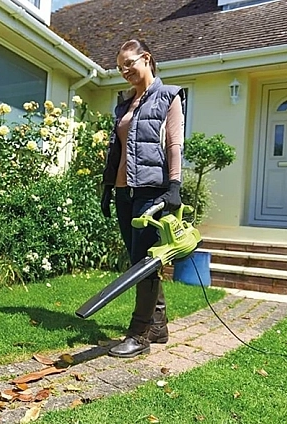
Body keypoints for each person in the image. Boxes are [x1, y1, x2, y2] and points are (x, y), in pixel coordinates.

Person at [100, 39, 185, 358]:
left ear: (146, 59)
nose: (124, 71)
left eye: (129, 64)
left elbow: (174, 144)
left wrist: (174, 186)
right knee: (140, 262)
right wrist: (109, 187)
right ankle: (158, 323)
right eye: (120, 67)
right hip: (125, 193)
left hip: (152, 192)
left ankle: (139, 334)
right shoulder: (124, 103)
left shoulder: (168, 97)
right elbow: (117, 149)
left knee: (145, 265)